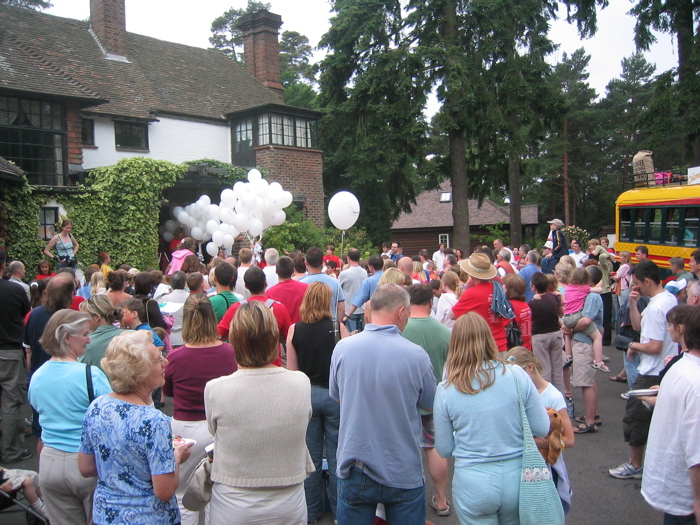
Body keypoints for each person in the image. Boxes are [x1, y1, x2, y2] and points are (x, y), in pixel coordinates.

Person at [330, 284, 436, 525]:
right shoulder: (416, 355)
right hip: (402, 465)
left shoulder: (343, 349)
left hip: (355, 463)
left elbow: (337, 395)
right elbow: (429, 404)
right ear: (401, 312)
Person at [433, 312, 550, 523]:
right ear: (489, 338)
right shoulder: (516, 374)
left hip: (473, 479)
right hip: (518, 476)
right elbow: (542, 427)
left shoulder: (446, 389)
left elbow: (444, 448)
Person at [205, 302, 313, 524]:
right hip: (288, 500)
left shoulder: (216, 389)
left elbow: (214, 432)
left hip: (234, 501)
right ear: (274, 339)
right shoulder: (300, 383)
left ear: (234, 341)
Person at [78, 330, 192, 525]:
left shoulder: (97, 407)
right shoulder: (153, 421)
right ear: (139, 372)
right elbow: (164, 491)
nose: (165, 362)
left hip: (106, 515)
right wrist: (176, 457)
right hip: (148, 517)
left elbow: (86, 467)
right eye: (158, 360)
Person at [28, 309, 112, 524]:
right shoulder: (89, 374)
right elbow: (110, 417)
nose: (88, 339)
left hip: (49, 462)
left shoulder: (37, 376)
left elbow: (38, 412)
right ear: (67, 337)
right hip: (86, 462)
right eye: (84, 334)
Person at [163, 294, 237, 524]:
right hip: (218, 428)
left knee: (183, 495)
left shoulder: (175, 356)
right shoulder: (230, 353)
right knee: (219, 494)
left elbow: (168, 393)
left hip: (185, 428)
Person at [286, 282, 349, 522]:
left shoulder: (295, 329)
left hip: (308, 396)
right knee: (336, 457)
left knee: (309, 458)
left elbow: (292, 371)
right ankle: (338, 511)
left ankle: (310, 512)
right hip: (335, 396)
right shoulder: (338, 327)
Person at [609, 260, 677, 479]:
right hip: (661, 368)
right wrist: (633, 303)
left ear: (647, 281)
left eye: (636, 283)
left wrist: (632, 345)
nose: (634, 287)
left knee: (635, 418)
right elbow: (638, 327)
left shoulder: (658, 308)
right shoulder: (666, 299)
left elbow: (655, 346)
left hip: (651, 372)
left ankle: (636, 464)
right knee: (660, 421)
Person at [641, 306, 700, 524]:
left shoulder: (680, 367)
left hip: (676, 492)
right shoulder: (696, 382)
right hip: (687, 499)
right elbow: (697, 454)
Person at [401, 284, 452, 517]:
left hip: (404, 400)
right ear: (431, 303)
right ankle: (441, 499)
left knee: (402, 447)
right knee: (434, 449)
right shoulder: (444, 332)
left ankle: (402, 499)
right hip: (434, 400)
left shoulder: (400, 329)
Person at [505, 347, 575, 515]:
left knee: (548, 513)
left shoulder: (553, 396)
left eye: (518, 373)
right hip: (522, 467)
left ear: (530, 367)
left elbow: (570, 439)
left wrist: (536, 442)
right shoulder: (514, 393)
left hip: (548, 469)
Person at [0, 249, 32, 463]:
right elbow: (25, 314)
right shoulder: (14, 290)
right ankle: (11, 450)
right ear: (4, 265)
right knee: (11, 401)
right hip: (8, 350)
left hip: (9, 348)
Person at [450, 253, 510, 352]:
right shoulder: (499, 290)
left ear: (471, 274)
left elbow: (452, 315)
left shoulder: (471, 294)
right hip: (501, 345)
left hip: (481, 347)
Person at [561, 268, 607, 371]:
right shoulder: (584, 289)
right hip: (577, 316)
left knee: (567, 334)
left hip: (567, 316)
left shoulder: (568, 288)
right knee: (598, 337)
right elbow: (586, 321)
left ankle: (568, 356)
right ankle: (598, 361)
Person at [528, 272, 566, 395]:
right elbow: (560, 314)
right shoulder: (553, 298)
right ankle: (560, 400)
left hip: (540, 336)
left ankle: (546, 399)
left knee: (544, 370)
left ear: (533, 287)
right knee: (557, 371)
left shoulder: (533, 303)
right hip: (555, 333)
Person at [78, 294, 123, 371]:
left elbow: (79, 371)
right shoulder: (132, 335)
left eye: (85, 316)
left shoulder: (87, 344)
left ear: (97, 317)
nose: (83, 320)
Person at [301, 247, 345, 321]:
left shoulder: (301, 283)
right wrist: (338, 325)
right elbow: (341, 308)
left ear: (306, 263)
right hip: (330, 324)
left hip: (308, 324)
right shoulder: (335, 282)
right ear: (322, 262)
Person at [266, 256, 308, 324]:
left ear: (276, 271)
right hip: (301, 330)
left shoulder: (269, 293)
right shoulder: (306, 288)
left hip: (281, 332)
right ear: (293, 271)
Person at [342, 254, 383, 324]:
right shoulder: (390, 277)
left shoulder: (369, 281)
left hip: (374, 317)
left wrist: (347, 316)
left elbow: (358, 300)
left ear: (370, 267)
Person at [338, 248, 368, 332]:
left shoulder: (344, 273)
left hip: (349, 310)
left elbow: (338, 290)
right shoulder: (364, 272)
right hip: (362, 309)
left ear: (348, 258)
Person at [158, 271, 189, 347]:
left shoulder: (164, 299)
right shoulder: (192, 298)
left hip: (171, 338)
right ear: (185, 283)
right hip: (187, 337)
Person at [503, 274, 532, 350]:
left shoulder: (508, 307)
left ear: (508, 289)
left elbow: (502, 327)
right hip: (526, 345)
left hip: (514, 348)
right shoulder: (525, 305)